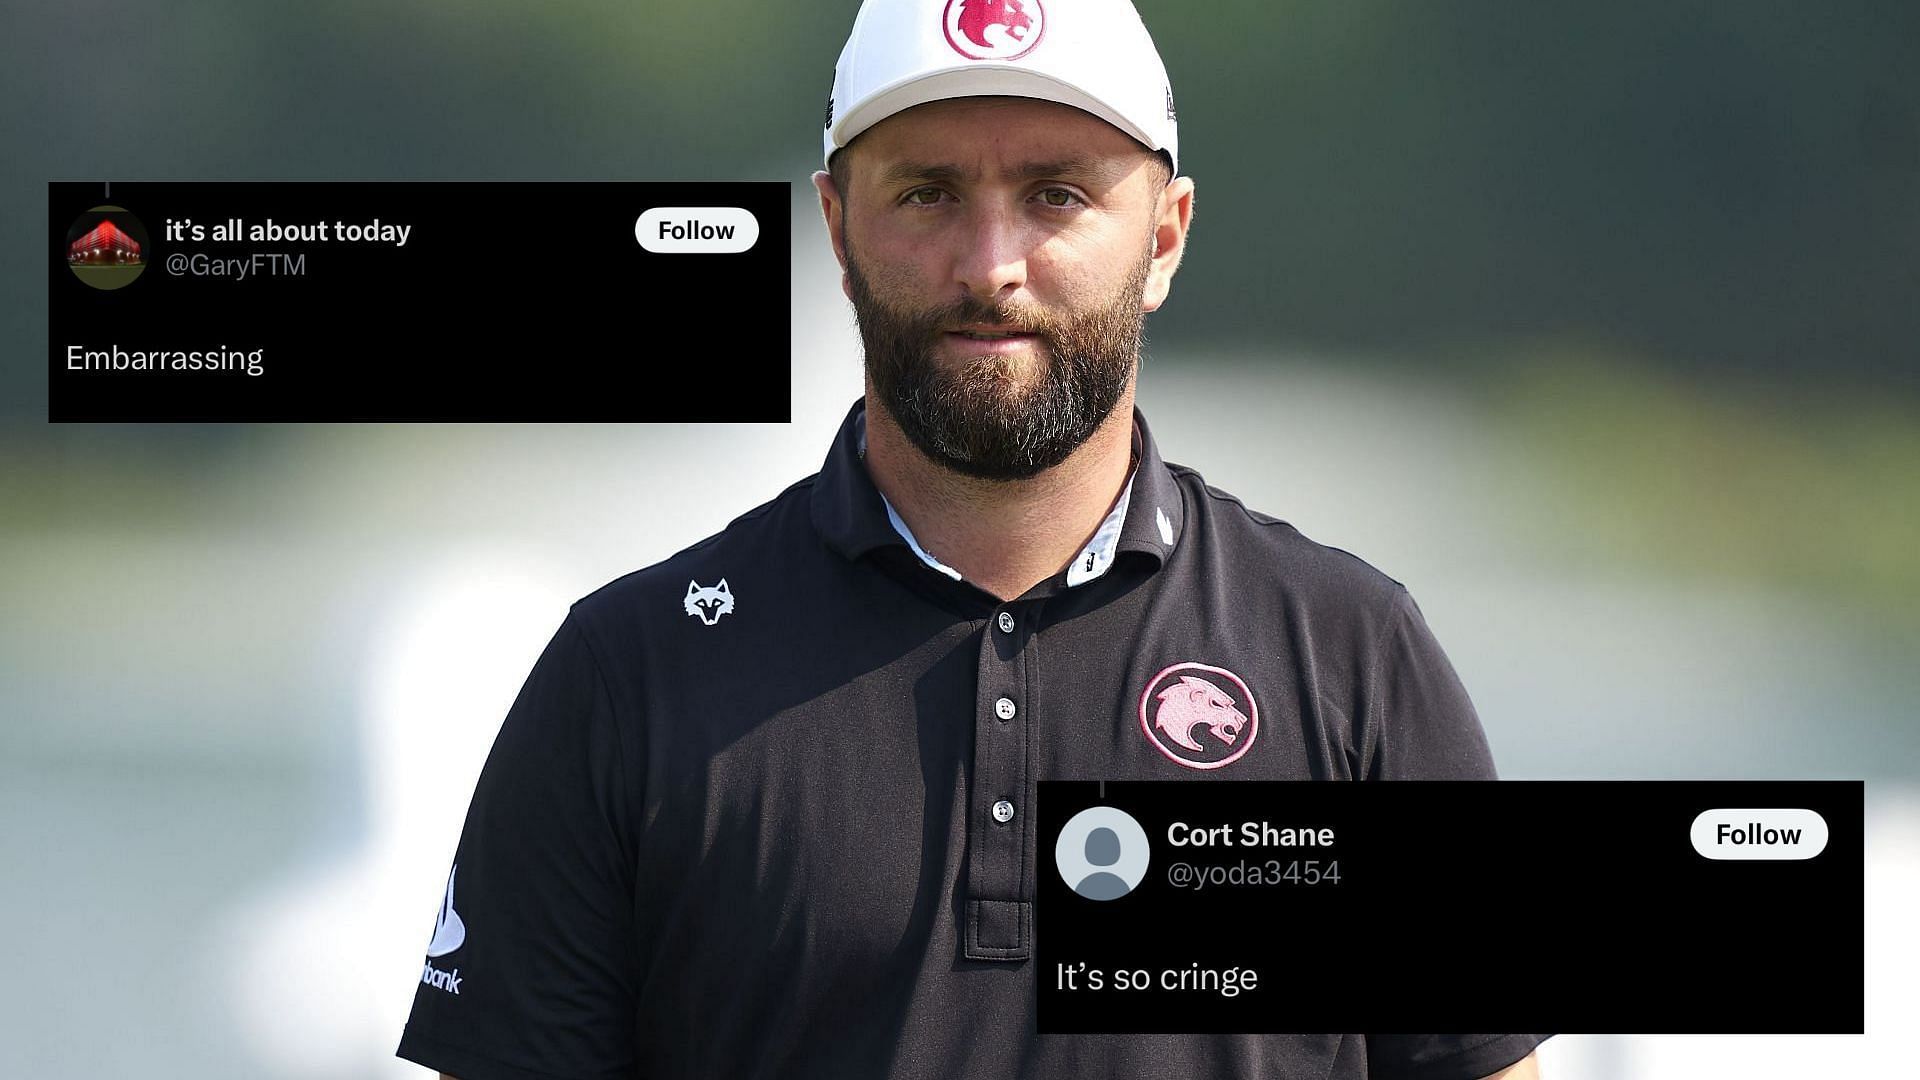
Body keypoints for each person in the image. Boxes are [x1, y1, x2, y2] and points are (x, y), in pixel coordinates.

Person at [398, 1, 1547, 1076]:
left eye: (1056, 195)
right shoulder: (628, 674)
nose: (990, 265)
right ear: (839, 231)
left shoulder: (1349, 654)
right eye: (928, 195)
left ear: (1165, 237)